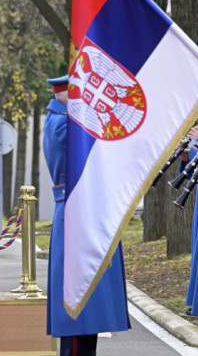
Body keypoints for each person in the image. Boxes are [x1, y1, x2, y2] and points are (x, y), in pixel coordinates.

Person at [42, 75, 130, 356]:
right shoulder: (64, 125)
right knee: (79, 311)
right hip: (78, 215)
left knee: (88, 311)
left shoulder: (64, 121)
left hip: (84, 211)